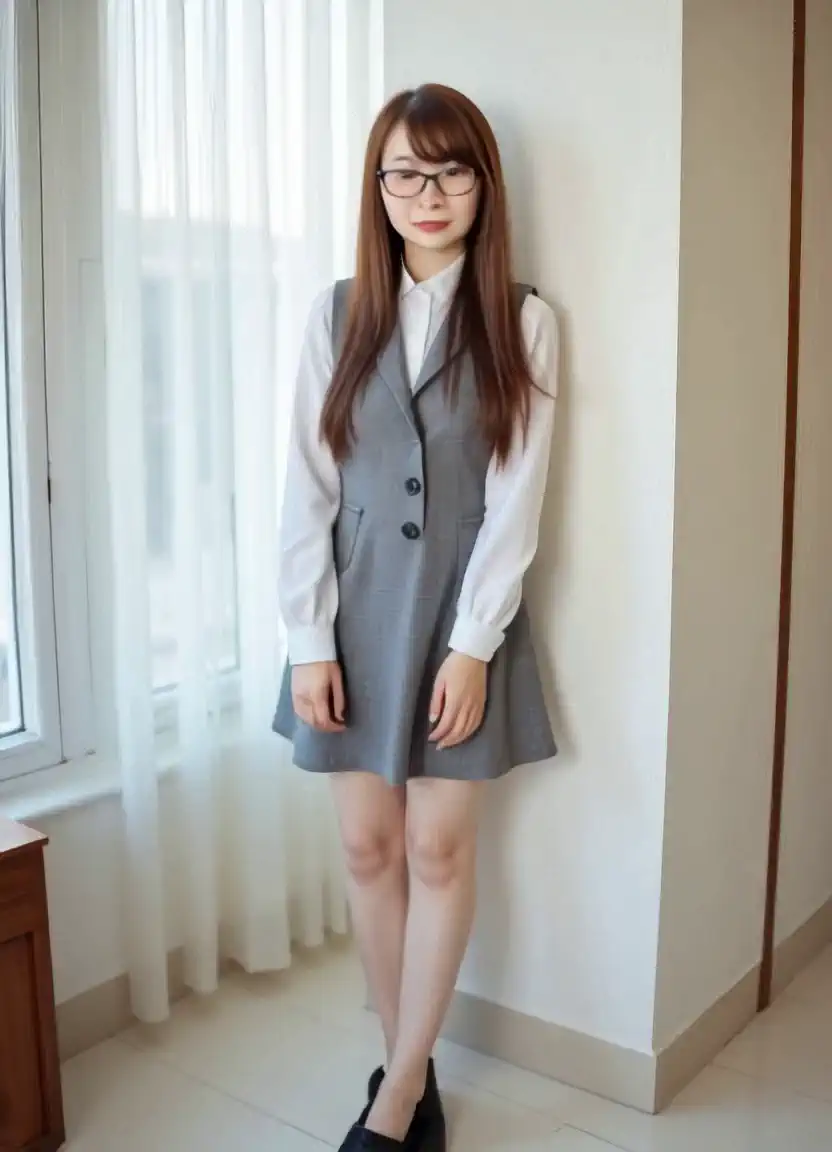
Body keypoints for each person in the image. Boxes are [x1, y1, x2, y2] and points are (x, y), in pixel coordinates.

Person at [273, 83, 558, 1152]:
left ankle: (392, 1104)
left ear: (483, 185)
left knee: (437, 849)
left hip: (458, 617)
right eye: (404, 172)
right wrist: (307, 639)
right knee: (366, 847)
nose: (426, 194)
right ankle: (412, 1069)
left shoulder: (522, 320)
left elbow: (519, 497)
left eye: (449, 172)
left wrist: (475, 644)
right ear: (377, 187)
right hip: (350, 620)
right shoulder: (336, 314)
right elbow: (306, 484)